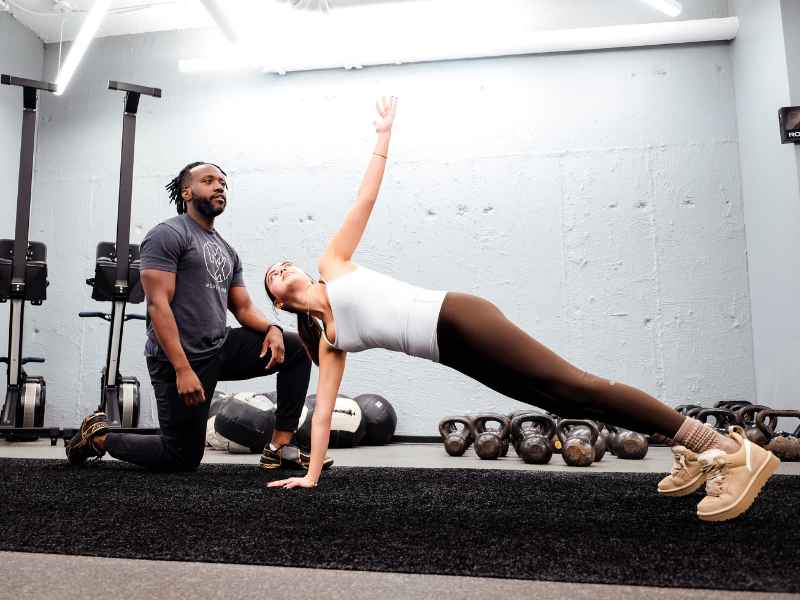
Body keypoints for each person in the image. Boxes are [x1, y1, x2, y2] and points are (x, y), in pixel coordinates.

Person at [263, 97, 778, 522]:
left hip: (459, 318)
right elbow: (324, 406)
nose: (284, 267)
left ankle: (724, 449)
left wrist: (382, 136)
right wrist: (310, 473)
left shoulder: (334, 262)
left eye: (286, 262)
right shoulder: (326, 341)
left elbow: (364, 200)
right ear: (280, 300)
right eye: (274, 274)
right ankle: (689, 446)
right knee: (563, 402)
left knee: (578, 384)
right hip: (452, 353)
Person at [66, 162, 331, 472]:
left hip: (219, 346)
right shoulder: (167, 235)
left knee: (295, 348)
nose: (219, 186)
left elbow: (242, 308)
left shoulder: (227, 250)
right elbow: (158, 305)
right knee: (181, 457)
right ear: (187, 192)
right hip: (178, 358)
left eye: (223, 182)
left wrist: (271, 326)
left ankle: (280, 446)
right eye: (209, 181)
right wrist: (182, 368)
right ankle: (98, 438)